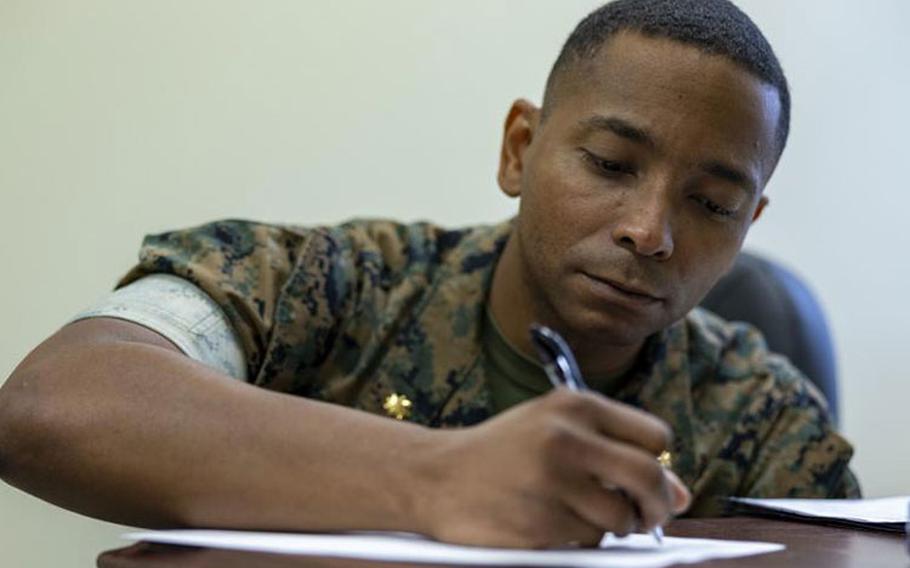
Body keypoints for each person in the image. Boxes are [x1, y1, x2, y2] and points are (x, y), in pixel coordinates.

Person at [0, 0, 858, 549]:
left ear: (749, 225)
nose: (650, 232)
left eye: (711, 204)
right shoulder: (334, 284)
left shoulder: (761, 410)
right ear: (520, 149)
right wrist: (435, 478)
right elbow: (48, 406)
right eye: (608, 163)